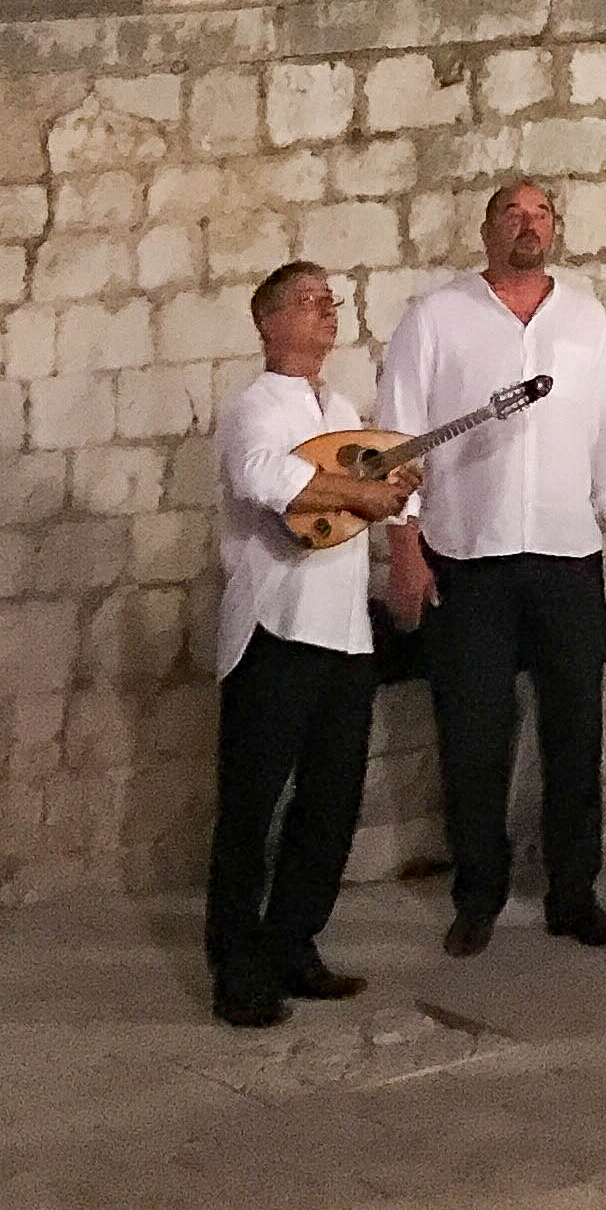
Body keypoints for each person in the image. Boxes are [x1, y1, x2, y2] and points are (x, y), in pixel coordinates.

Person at [380, 177, 606, 960]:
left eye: (540, 215)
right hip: (470, 556)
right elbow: (397, 439)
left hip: (567, 552)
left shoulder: (585, 318)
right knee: (473, 736)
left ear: (555, 228)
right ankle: (478, 895)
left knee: (576, 731)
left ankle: (574, 893)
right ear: (485, 229)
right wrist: (404, 546)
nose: (527, 227)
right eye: (511, 214)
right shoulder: (435, 317)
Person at [207, 260, 409, 1027]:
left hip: (344, 632)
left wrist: (392, 489)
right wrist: (361, 490)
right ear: (267, 322)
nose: (328, 311)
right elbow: (264, 477)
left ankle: (294, 943)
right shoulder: (256, 405)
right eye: (310, 300)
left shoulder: (344, 406)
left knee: (330, 804)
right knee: (252, 808)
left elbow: (359, 501)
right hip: (275, 628)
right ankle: (236, 969)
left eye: (333, 300)